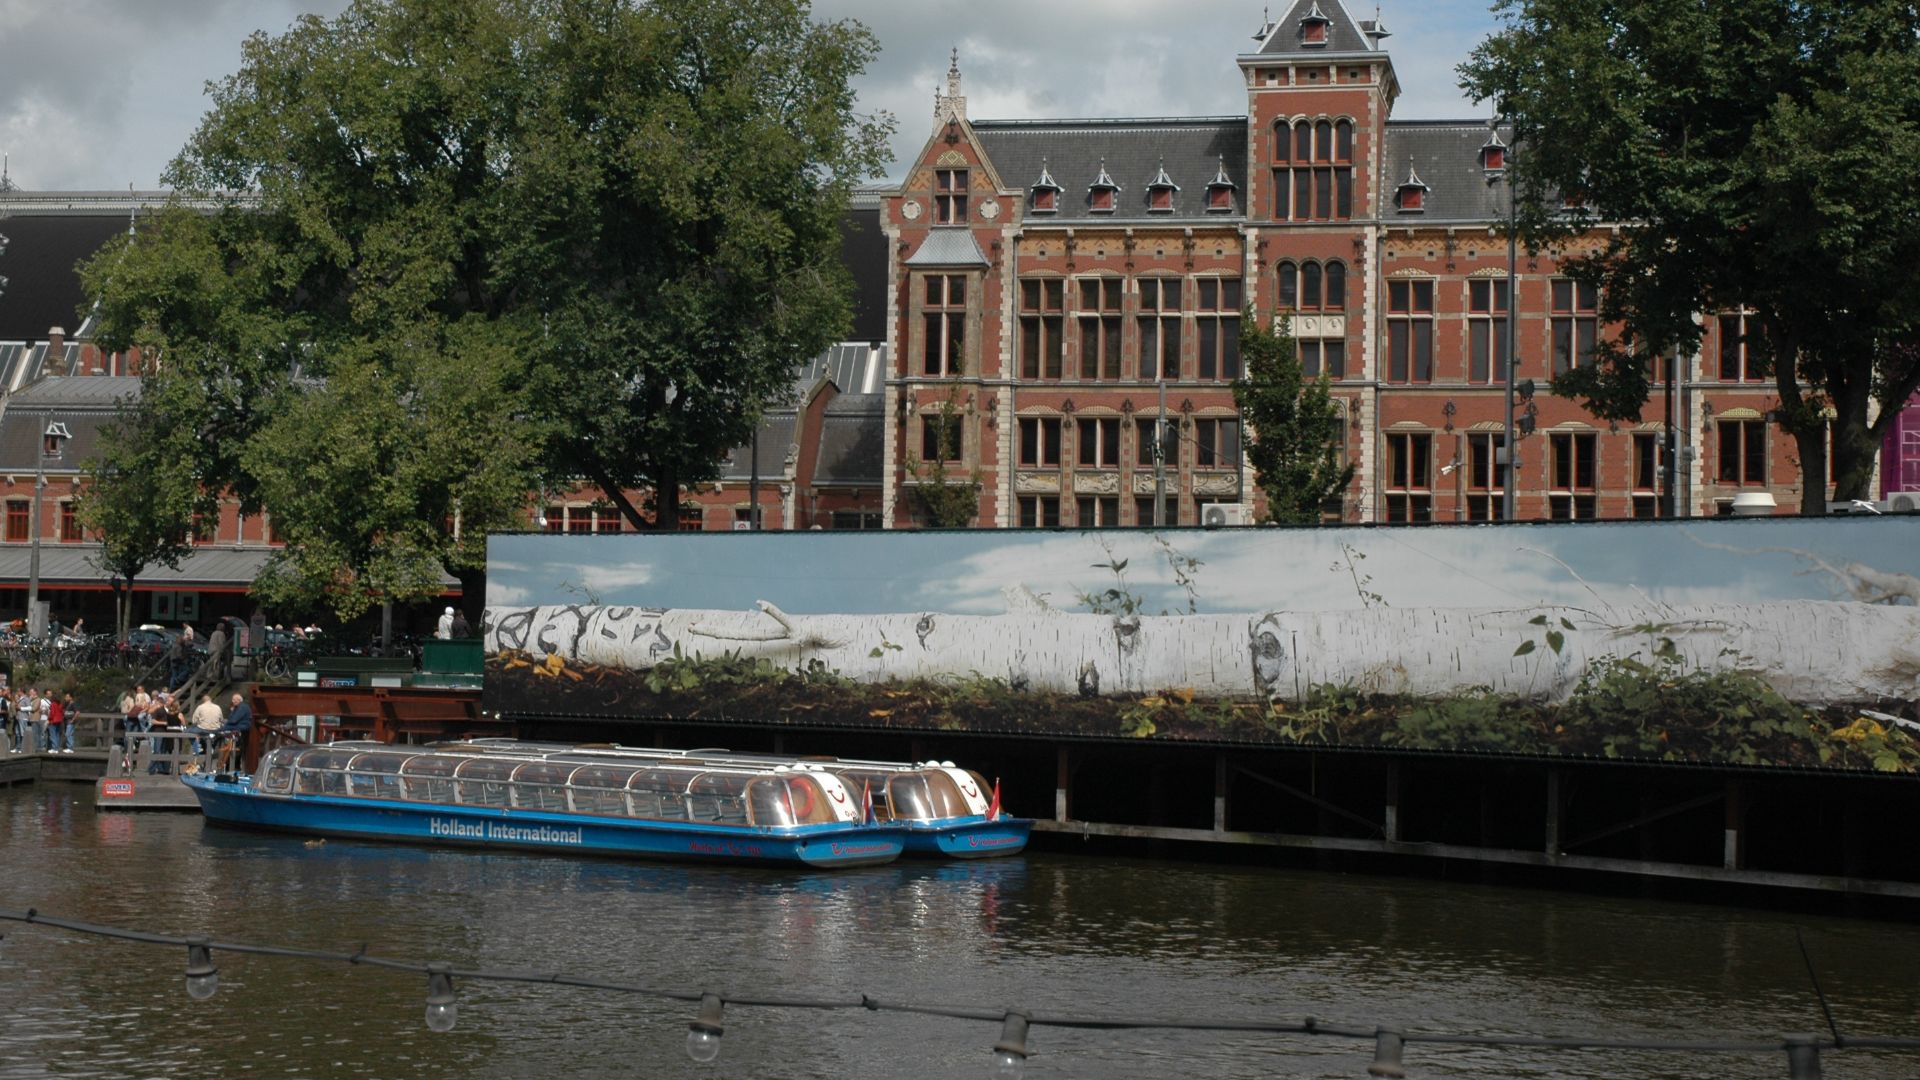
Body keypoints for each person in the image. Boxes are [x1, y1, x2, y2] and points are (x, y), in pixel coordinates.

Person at [215, 692, 253, 773]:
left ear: (240, 700)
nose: (233, 701)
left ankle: (215, 743)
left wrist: (225, 725)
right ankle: (226, 763)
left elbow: (233, 720)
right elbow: (231, 719)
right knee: (222, 729)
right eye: (233, 699)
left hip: (241, 727)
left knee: (220, 730)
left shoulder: (242, 707)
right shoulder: (238, 707)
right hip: (238, 726)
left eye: (235, 699)